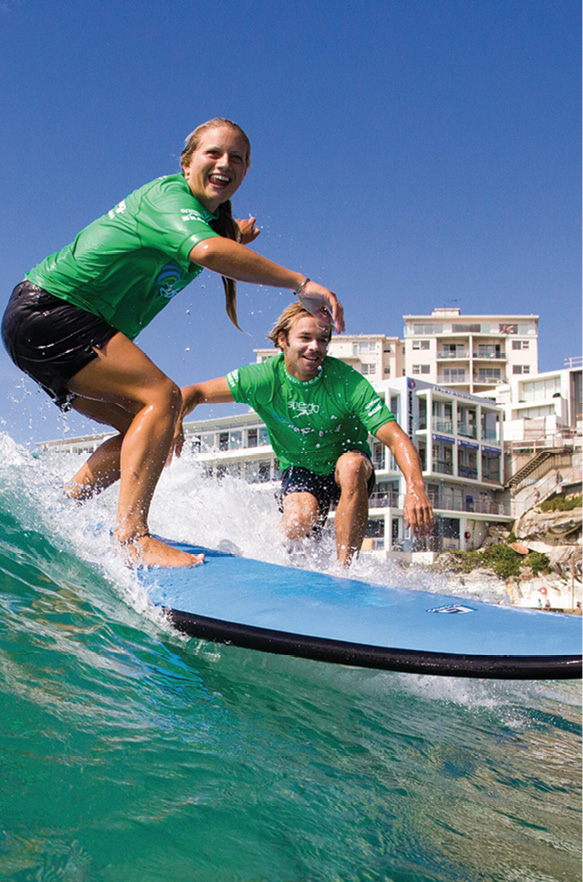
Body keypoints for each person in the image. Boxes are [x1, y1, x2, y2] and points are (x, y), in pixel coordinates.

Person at [1, 119, 344, 568]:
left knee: (143, 432)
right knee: (163, 398)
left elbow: (216, 241)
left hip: (39, 322)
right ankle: (133, 538)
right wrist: (301, 283)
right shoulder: (169, 198)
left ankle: (65, 507)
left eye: (237, 159)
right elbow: (206, 251)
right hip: (53, 311)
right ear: (186, 164)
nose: (226, 164)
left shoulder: (201, 219)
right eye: (214, 154)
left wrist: (236, 233)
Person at [179, 303, 434, 567]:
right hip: (300, 468)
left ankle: (346, 572)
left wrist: (415, 489)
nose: (315, 346)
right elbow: (192, 393)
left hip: (348, 469)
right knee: (299, 519)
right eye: (305, 338)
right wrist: (176, 421)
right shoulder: (263, 379)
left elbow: (396, 437)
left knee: (351, 466)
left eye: (322, 340)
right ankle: (280, 566)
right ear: (283, 340)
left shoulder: (346, 382)